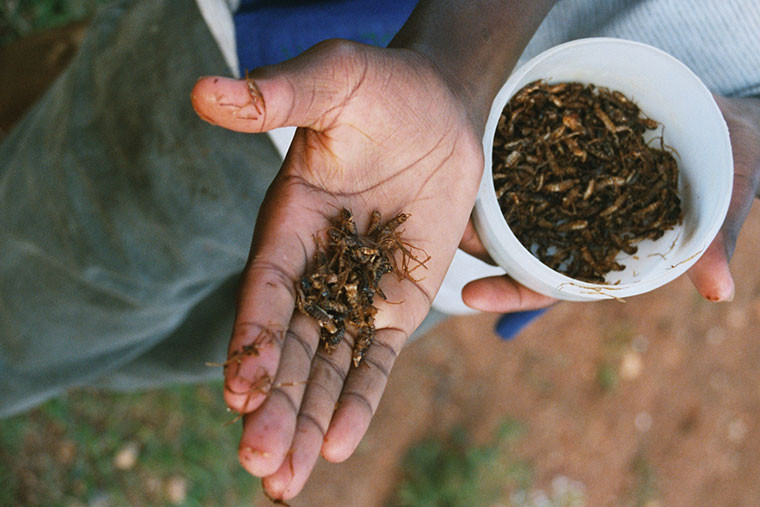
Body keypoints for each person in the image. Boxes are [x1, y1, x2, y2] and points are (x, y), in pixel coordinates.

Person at [1, 0, 759, 502]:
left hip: (455, 233)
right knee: (49, 275)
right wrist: (456, 67)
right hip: (343, 45)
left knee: (204, 348)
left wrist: (750, 125)